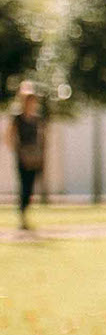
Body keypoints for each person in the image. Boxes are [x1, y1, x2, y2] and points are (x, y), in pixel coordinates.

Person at [6, 82, 46, 233]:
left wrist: (41, 153)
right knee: (24, 186)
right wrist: (17, 151)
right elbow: (9, 135)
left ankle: (25, 215)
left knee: (30, 189)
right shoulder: (17, 117)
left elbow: (41, 136)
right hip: (22, 156)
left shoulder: (37, 118)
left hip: (34, 156)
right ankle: (22, 218)